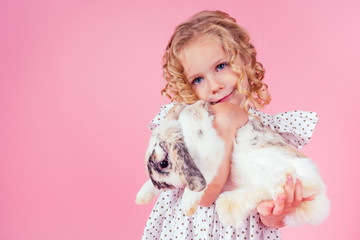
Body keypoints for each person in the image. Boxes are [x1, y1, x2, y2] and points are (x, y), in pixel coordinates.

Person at [142, 10, 317, 240]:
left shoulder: (264, 133)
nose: (214, 85)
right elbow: (203, 195)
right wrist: (225, 121)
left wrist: (276, 212)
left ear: (243, 59)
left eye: (221, 66)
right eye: (198, 79)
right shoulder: (183, 123)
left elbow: (268, 216)